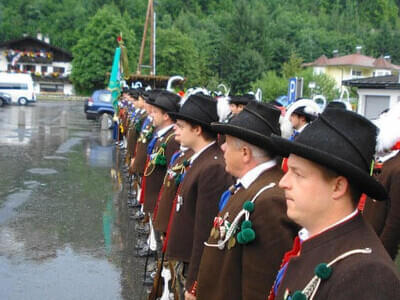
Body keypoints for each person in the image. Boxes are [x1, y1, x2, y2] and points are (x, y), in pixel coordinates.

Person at [267, 108, 400, 299]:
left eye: (298, 174)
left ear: (338, 187)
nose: (283, 183)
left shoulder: (366, 275)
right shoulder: (319, 241)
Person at [195, 101, 299, 300]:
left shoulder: (269, 200)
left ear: (245, 153)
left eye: (227, 142)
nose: (222, 147)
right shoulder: (252, 186)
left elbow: (260, 285)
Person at [165, 94, 234, 300]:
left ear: (197, 129)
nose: (175, 128)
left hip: (191, 264)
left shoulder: (213, 166)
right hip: (184, 257)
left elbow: (205, 231)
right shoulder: (200, 158)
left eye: (181, 125)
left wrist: (194, 282)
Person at [363, 103, 400, 259]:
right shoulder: (391, 163)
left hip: (381, 253)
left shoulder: (397, 168)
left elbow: (394, 222)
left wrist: (380, 257)